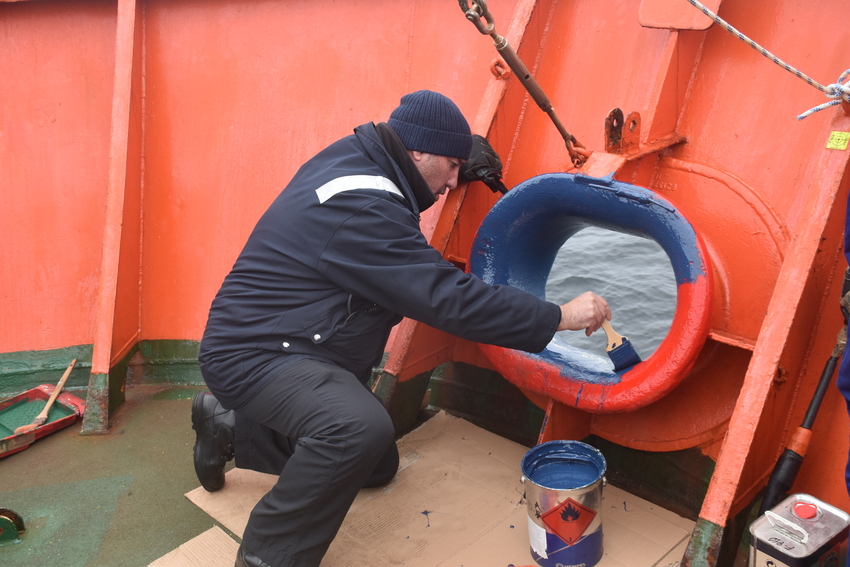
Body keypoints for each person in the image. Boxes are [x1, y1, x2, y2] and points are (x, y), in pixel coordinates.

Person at [193, 90, 612, 567]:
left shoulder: (366, 157)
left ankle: (227, 425)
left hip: (297, 339)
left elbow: (422, 164)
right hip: (256, 354)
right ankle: (267, 556)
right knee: (356, 432)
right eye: (451, 166)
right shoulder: (363, 210)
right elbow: (447, 298)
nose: (454, 181)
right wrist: (558, 315)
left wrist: (460, 155)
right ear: (416, 152)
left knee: (377, 463)